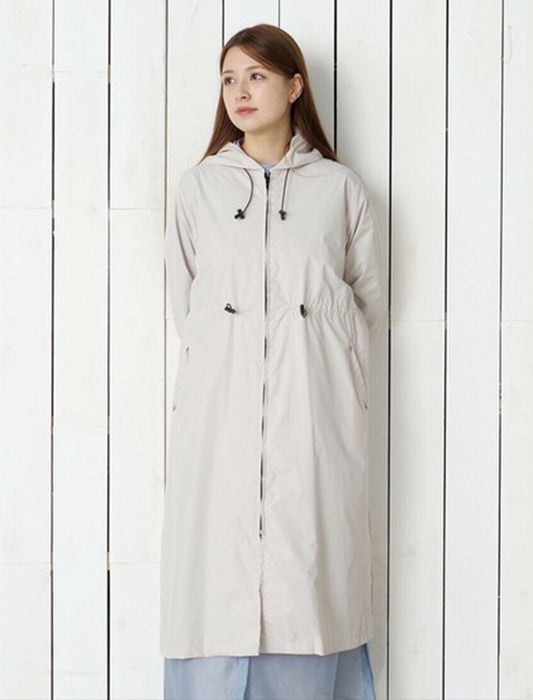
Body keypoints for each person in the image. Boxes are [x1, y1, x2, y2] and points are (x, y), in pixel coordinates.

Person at [161, 22, 386, 700]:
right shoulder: (198, 190)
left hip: (313, 418)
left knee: (307, 581)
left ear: (293, 87)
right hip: (219, 417)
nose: (240, 91)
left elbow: (365, 308)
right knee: (215, 579)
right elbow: (187, 307)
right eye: (229, 78)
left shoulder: (339, 190)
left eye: (256, 75)